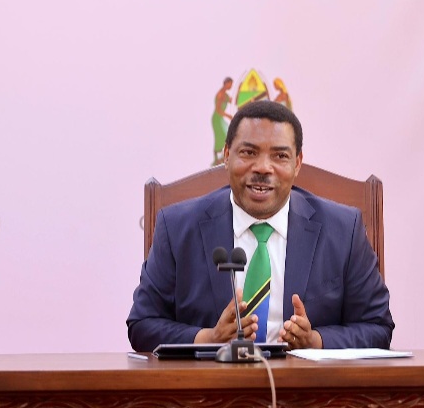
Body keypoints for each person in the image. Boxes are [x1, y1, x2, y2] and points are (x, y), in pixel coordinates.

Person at [128, 100, 393, 352]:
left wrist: (315, 341)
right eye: (248, 152)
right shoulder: (176, 228)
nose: (263, 168)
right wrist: (209, 338)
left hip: (303, 383)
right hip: (211, 381)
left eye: (280, 156)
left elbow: (377, 326)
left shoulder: (344, 230)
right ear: (227, 155)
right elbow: (142, 324)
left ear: (297, 163)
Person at [211, 77, 233, 166]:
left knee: (227, 134)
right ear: (226, 83)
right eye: (230, 84)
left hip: (220, 119)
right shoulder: (220, 94)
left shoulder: (226, 95)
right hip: (217, 118)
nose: (231, 86)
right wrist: (228, 116)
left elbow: (232, 101)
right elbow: (218, 110)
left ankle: (222, 157)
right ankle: (216, 159)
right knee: (221, 136)